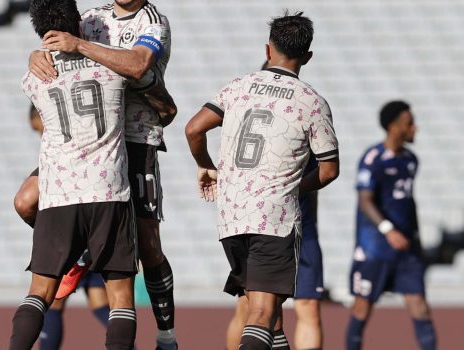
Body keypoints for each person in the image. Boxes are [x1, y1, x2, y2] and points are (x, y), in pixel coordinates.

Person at [9, 1, 175, 348]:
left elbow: (138, 65)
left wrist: (79, 46)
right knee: (26, 201)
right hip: (88, 142)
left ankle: (166, 335)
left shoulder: (153, 21)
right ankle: (80, 250)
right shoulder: (91, 16)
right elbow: (58, 39)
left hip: (134, 137)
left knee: (148, 244)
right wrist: (36, 54)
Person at [185, 11, 340, 350]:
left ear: (268, 49)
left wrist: (205, 164)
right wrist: (295, 186)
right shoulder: (311, 101)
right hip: (275, 218)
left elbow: (193, 129)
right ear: (308, 57)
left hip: (231, 217)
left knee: (269, 315)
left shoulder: (237, 87)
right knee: (261, 312)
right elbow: (329, 170)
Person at [13, 105, 112, 349]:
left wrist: (44, 230)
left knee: (50, 300)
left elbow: (25, 202)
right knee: (105, 303)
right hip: (95, 225)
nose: (42, 138)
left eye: (42, 131)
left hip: (69, 229)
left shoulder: (60, 150)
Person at [346, 101, 436, 350]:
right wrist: (388, 230)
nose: (414, 128)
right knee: (362, 308)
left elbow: (408, 202)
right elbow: (365, 201)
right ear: (393, 127)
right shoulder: (373, 158)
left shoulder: (410, 160)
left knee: (420, 305)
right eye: (409, 123)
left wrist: (414, 238)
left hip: (406, 248)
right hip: (374, 248)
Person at [226, 157, 325, 350]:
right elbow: (195, 129)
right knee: (253, 308)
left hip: (303, 228)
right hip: (264, 226)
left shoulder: (312, 127)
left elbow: (328, 170)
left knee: (308, 306)